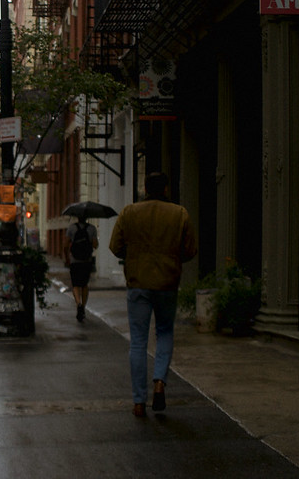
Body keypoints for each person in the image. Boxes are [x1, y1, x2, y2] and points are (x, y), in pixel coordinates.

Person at [109, 172, 197, 418]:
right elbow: (190, 250)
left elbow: (115, 247)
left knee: (138, 341)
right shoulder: (179, 214)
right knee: (165, 332)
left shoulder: (129, 213)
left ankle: (139, 401)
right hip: (167, 282)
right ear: (166, 189)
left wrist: (134, 256)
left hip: (138, 283)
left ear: (145, 189)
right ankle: (159, 381)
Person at [64, 217, 98, 322]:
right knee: (84, 284)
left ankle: (78, 303)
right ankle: (83, 306)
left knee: (75, 284)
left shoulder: (71, 228)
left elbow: (66, 245)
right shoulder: (92, 228)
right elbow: (95, 245)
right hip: (86, 261)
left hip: (74, 260)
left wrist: (67, 259)